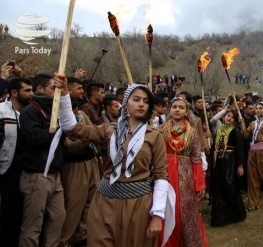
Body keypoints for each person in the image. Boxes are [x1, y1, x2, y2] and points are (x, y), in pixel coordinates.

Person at [55, 77, 175, 247]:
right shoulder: (110, 130)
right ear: (126, 103)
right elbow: (73, 130)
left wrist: (157, 215)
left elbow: (161, 175)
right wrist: (64, 96)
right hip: (105, 202)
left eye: (146, 101)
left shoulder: (155, 135)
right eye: (136, 99)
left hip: (138, 205)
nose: (141, 104)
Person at [18, 73, 66, 246]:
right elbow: (33, 138)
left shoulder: (55, 110)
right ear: (41, 89)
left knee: (58, 219)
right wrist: (53, 132)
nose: (57, 91)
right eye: (54, 88)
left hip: (55, 174)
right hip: (36, 175)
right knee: (33, 225)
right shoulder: (29, 112)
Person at [159, 97, 208, 247]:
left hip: (185, 175)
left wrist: (199, 183)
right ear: (170, 109)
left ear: (186, 111)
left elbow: (196, 158)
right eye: (174, 106)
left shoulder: (192, 133)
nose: (177, 109)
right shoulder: (160, 130)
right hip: (164, 173)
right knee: (165, 209)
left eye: (181, 107)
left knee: (184, 211)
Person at [59, 95, 100, 247]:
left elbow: (94, 130)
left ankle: (82, 237)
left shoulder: (81, 116)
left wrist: (90, 134)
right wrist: (88, 137)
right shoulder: (60, 119)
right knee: (74, 206)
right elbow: (72, 147)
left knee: (91, 203)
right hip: (74, 166)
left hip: (91, 162)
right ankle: (64, 240)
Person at [0, 77, 32, 246]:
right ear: (14, 93)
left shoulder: (29, 114)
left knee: (17, 213)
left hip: (23, 170)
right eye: (26, 91)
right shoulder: (2, 112)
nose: (30, 94)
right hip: (6, 168)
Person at [210, 110, 246, 227]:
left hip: (230, 161)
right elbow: (214, 146)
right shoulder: (219, 130)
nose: (230, 118)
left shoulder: (235, 132)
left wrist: (240, 165)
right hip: (219, 161)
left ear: (235, 121)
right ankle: (220, 218)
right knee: (219, 188)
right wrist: (210, 139)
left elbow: (240, 149)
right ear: (224, 117)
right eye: (228, 116)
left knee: (230, 187)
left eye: (233, 117)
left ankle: (236, 214)